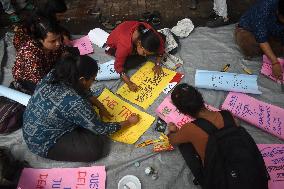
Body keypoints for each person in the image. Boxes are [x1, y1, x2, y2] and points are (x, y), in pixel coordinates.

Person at [23, 54, 140, 162]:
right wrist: (129, 122)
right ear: (82, 80)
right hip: (43, 141)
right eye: (93, 79)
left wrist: (100, 106)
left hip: (36, 123)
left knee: (86, 113)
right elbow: (101, 129)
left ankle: (81, 122)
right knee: (94, 149)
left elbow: (83, 89)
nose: (93, 82)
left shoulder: (56, 73)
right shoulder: (76, 103)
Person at [167, 83, 268, 189]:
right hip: (254, 177)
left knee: (185, 146)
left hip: (223, 180)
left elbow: (172, 141)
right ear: (200, 97)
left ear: (183, 111)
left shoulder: (189, 129)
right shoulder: (227, 115)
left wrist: (172, 131)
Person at [105, 21, 165, 92]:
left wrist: (157, 64)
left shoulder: (152, 34)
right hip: (114, 43)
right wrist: (129, 83)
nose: (146, 55)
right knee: (129, 63)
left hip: (127, 29)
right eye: (144, 53)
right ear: (139, 44)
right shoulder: (125, 46)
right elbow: (118, 67)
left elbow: (161, 49)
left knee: (162, 39)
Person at [12, 15, 64, 94]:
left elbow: (63, 53)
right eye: (52, 41)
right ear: (40, 40)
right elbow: (41, 82)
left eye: (59, 38)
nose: (58, 43)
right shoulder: (30, 55)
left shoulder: (56, 43)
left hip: (47, 68)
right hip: (28, 79)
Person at [235, 0, 284, 80]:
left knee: (274, 47)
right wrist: (275, 62)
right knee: (249, 46)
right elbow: (261, 38)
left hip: (274, 31)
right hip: (250, 29)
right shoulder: (264, 7)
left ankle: (269, 49)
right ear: (278, 12)